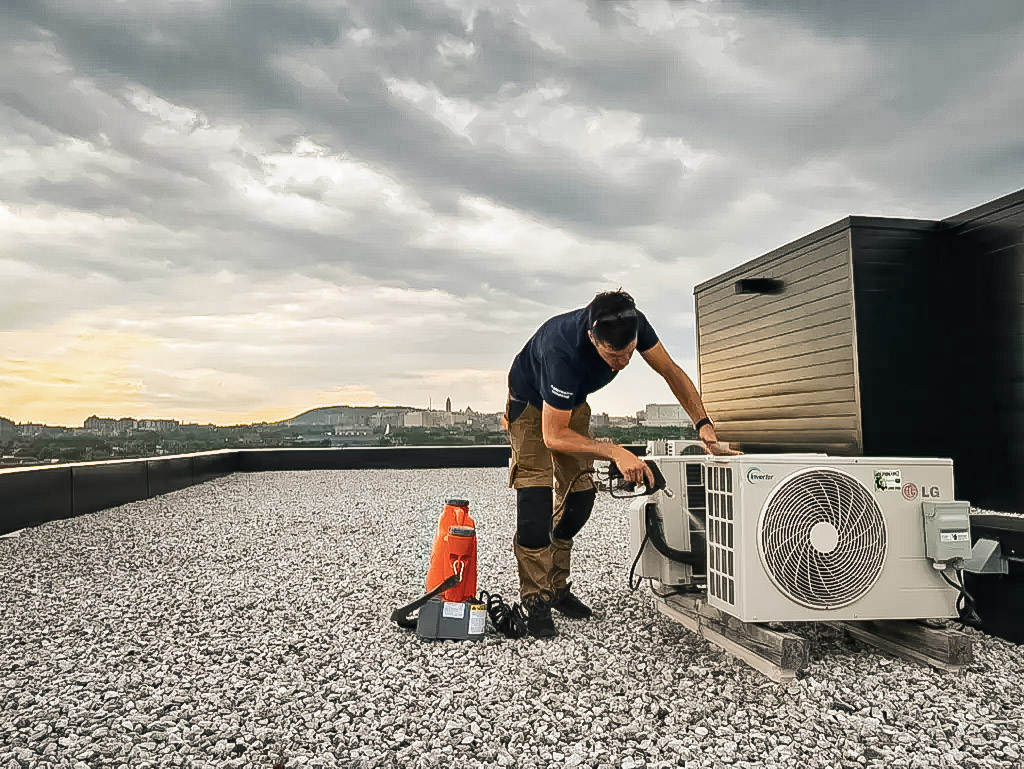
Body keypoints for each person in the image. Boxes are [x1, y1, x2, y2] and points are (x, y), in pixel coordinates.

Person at [504, 289, 737, 638]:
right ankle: (535, 598)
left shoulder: (633, 322)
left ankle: (555, 587)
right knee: (535, 505)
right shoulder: (560, 349)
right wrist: (615, 452)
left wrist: (704, 425)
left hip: (571, 405)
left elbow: (671, 372)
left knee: (580, 500)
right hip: (530, 406)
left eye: (628, 353)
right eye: (613, 355)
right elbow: (553, 436)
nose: (622, 363)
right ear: (591, 337)